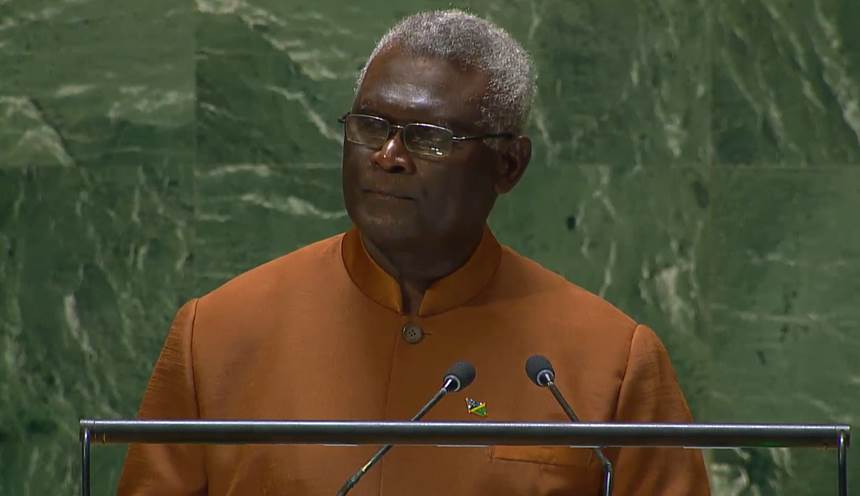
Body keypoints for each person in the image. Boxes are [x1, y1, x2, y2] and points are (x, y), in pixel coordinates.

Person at [119, 10, 710, 495]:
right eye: (372, 126)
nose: (388, 155)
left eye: (430, 138)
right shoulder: (216, 336)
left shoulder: (608, 361)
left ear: (509, 164)